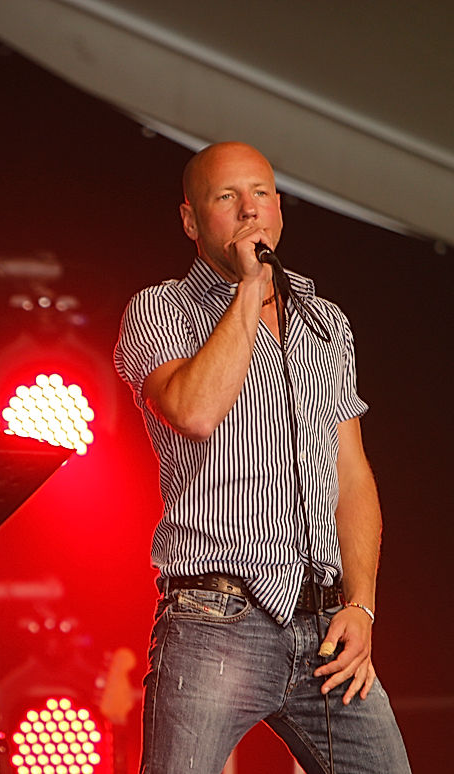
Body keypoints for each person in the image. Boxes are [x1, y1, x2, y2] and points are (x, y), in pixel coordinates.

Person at [113, 142, 411, 772]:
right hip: (215, 620)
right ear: (192, 221)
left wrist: (361, 604)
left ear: (280, 208)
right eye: (227, 198)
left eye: (262, 194)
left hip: (324, 625)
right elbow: (194, 410)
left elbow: (351, 476)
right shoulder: (161, 309)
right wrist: (251, 287)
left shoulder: (325, 322)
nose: (250, 210)